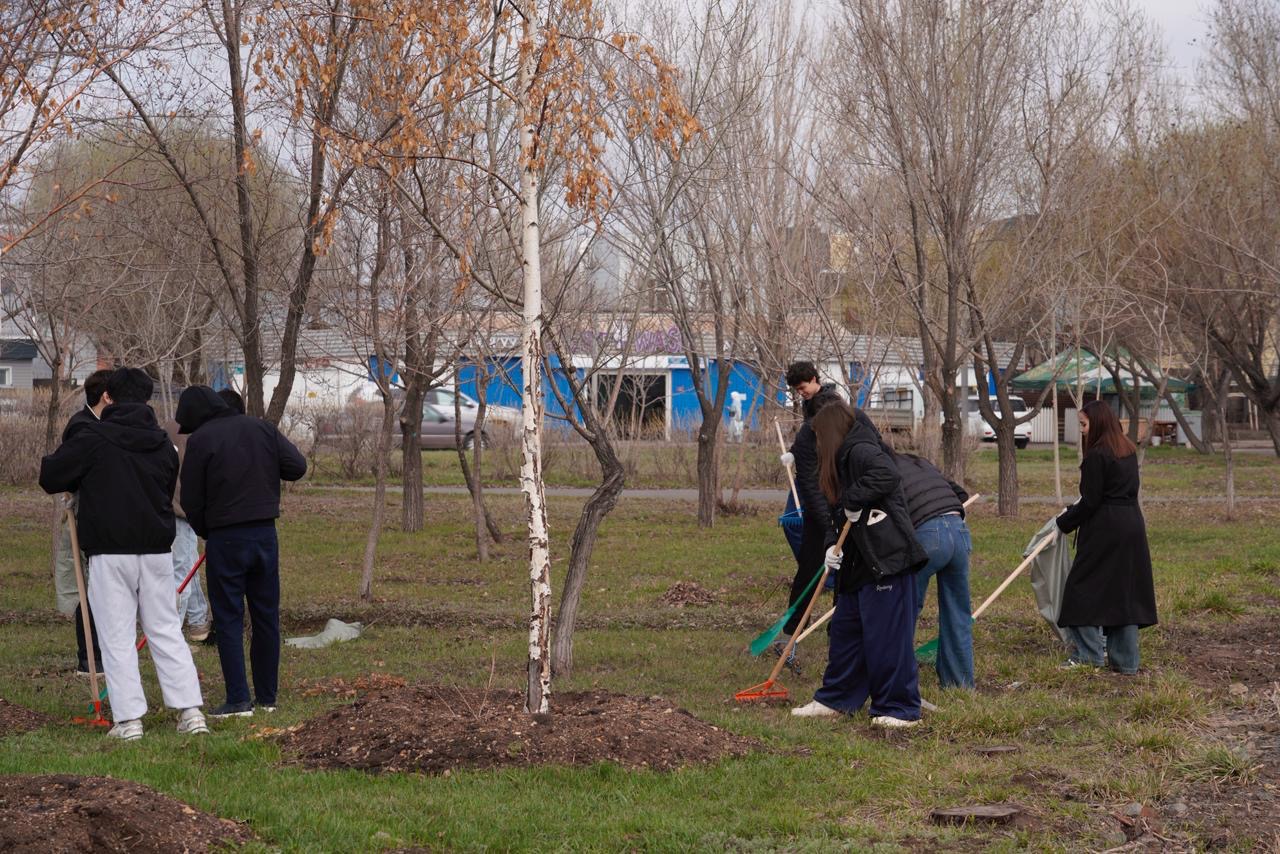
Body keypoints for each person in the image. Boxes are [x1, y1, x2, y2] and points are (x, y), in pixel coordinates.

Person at [39, 368, 208, 740]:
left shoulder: (93, 438)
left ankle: (130, 720)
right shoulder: (163, 444)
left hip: (110, 551)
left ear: (109, 397)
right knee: (165, 629)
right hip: (156, 549)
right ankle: (191, 712)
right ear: (146, 399)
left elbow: (50, 475)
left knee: (116, 635)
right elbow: (167, 486)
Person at [792, 402, 927, 727]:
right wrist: (830, 545)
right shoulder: (837, 464)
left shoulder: (860, 449)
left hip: (886, 559)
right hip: (856, 563)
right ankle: (836, 699)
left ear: (830, 432)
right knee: (846, 632)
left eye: (819, 437)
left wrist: (853, 499)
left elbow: (887, 474)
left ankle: (899, 708)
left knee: (886, 638)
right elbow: (834, 513)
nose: (817, 444)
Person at [177, 385, 307, 718]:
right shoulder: (262, 428)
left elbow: (191, 499)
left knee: (229, 618)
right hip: (264, 534)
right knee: (266, 617)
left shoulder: (202, 439)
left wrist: (208, 530)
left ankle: (238, 699)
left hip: (225, 539)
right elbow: (296, 466)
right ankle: (267, 697)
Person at [1055, 400, 1157, 673]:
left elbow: (1091, 501)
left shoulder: (1097, 455)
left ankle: (1089, 654)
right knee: (1123, 591)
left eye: (1084, 424)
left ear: (1098, 423)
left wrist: (1063, 523)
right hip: (1132, 524)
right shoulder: (1127, 450)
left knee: (1081, 588)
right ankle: (1126, 662)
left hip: (1106, 528)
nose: (1082, 430)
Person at [774, 387, 844, 673]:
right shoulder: (807, 437)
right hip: (819, 514)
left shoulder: (852, 433)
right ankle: (790, 634)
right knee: (808, 571)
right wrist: (828, 531)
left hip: (849, 510)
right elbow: (813, 491)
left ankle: (838, 635)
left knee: (847, 576)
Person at [895, 452, 974, 689]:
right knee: (958, 612)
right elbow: (960, 494)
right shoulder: (920, 463)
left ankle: (898, 683)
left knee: (904, 609)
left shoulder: (882, 468)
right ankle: (959, 684)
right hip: (959, 531)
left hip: (928, 535)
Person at [54, 369, 112, 675]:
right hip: (85, 516)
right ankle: (89, 658)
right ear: (106, 397)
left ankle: (101, 654)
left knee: (101, 589)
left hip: (104, 517)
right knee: (88, 589)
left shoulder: (102, 425)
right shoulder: (82, 427)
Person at [163, 417, 212, 643]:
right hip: (181, 509)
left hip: (177, 508)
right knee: (181, 572)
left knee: (188, 565)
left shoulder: (171, 427)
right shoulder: (196, 433)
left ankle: (198, 622)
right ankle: (172, 637)